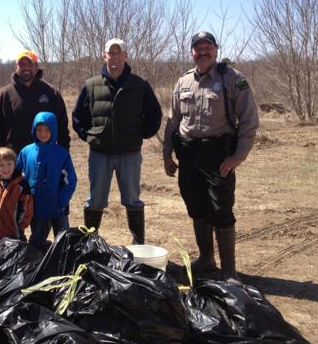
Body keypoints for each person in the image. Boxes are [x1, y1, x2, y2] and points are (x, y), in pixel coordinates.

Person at [162, 31, 260, 284]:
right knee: (195, 206)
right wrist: (167, 155)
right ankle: (206, 259)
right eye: (198, 48)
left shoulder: (233, 79)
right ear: (192, 52)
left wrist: (238, 157)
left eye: (208, 47)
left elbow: (249, 120)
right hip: (188, 155)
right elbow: (173, 121)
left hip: (218, 155)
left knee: (221, 208)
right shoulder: (183, 82)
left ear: (216, 50)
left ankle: (229, 270)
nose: (203, 52)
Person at [72, 38, 162, 244]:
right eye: (110, 53)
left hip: (129, 153)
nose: (114, 57)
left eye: (118, 53)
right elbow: (78, 116)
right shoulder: (91, 85)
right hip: (99, 154)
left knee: (133, 200)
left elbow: (155, 114)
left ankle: (138, 245)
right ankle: (90, 243)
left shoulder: (139, 85)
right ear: (104, 56)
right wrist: (90, 136)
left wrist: (142, 134)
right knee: (95, 200)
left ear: (125, 56)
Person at [17, 111, 77, 252]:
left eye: (47, 129)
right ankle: (39, 266)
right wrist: (22, 199)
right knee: (37, 239)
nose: (43, 133)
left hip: (58, 206)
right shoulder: (26, 152)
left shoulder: (61, 154)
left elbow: (71, 180)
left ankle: (62, 266)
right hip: (36, 206)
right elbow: (18, 178)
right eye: (39, 130)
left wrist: (62, 199)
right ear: (34, 130)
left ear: (53, 130)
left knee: (63, 240)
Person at [0, 50, 70, 154]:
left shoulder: (51, 93)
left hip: (45, 155)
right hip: (13, 160)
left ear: (37, 66)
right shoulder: (4, 94)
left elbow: (62, 127)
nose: (26, 67)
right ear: (16, 67)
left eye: (30, 64)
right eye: (22, 64)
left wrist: (63, 154)